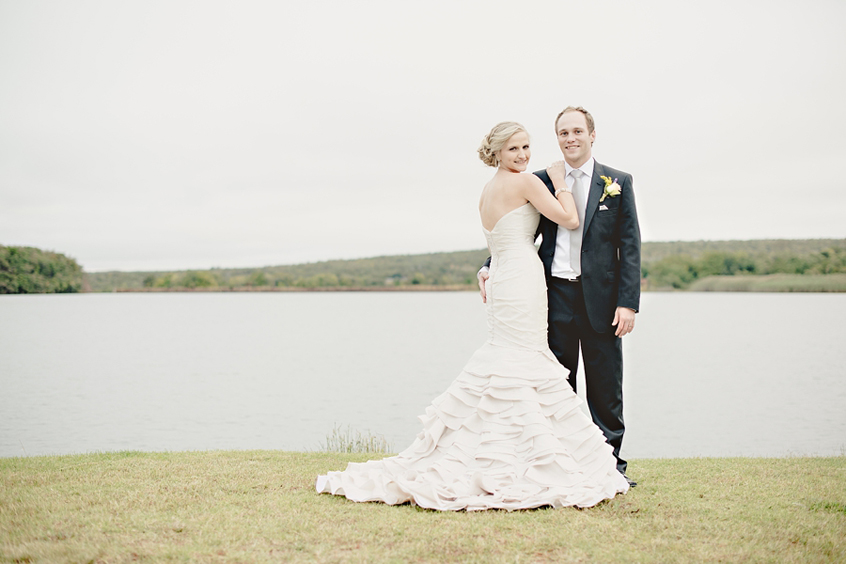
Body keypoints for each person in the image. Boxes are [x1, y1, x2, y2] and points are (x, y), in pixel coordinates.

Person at [315, 122, 629, 510]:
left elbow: (503, 239)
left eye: (526, 147)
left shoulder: (487, 189)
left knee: (508, 359)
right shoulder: (528, 182)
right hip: (521, 279)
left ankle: (509, 450)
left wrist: (486, 267)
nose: (523, 155)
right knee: (522, 362)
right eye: (513, 149)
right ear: (497, 152)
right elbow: (570, 219)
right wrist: (561, 181)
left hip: (503, 278)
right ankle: (525, 455)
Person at [478, 107, 641, 485]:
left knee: (606, 389)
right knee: (556, 388)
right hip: (553, 298)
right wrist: (489, 265)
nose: (571, 138)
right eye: (563, 133)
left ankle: (610, 468)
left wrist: (628, 302)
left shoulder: (617, 182)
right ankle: (563, 467)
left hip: (602, 300)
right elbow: (517, 233)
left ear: (591, 135)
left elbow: (630, 246)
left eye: (577, 131)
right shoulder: (538, 181)